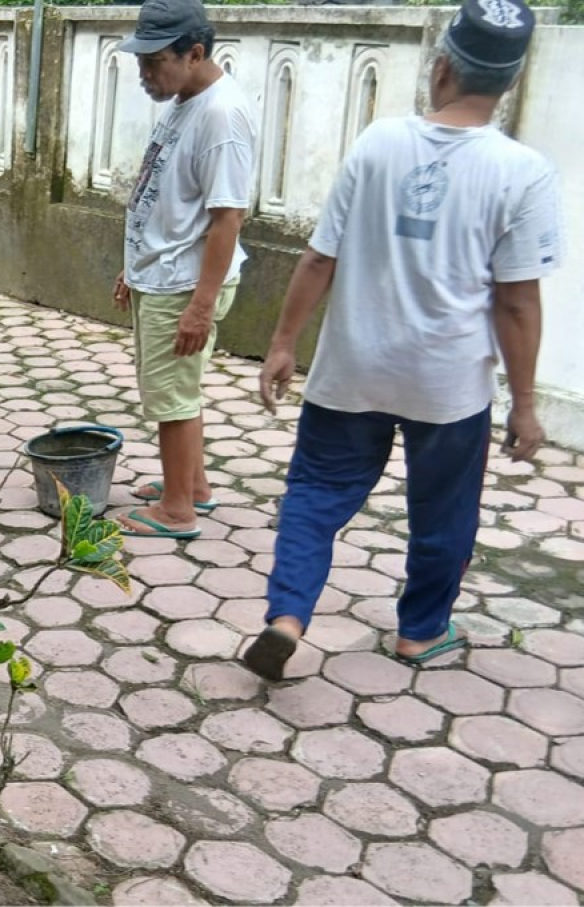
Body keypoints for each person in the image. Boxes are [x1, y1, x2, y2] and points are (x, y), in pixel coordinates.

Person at [243, 0, 559, 681]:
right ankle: (419, 633)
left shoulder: (377, 142)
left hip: (353, 366)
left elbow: (318, 258)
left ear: (442, 67)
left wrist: (282, 343)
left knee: (315, 494)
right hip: (447, 383)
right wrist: (524, 403)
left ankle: (288, 615)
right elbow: (516, 300)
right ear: (505, 83)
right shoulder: (522, 172)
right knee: (443, 512)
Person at [112, 0, 257, 541]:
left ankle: (177, 512)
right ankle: (192, 485)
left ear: (194, 53)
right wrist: (133, 266)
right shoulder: (186, 99)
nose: (146, 74)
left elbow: (227, 218)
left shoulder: (221, 115)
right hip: (162, 271)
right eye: (141, 61)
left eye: (155, 62)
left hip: (184, 281)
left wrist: (200, 303)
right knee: (176, 390)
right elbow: (166, 196)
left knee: (171, 397)